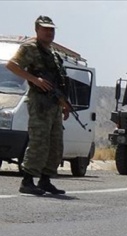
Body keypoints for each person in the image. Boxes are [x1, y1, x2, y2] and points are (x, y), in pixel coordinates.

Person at [6, 15, 71, 195]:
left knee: (55, 144)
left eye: (51, 29)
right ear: (37, 30)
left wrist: (64, 104)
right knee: (39, 142)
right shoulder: (29, 48)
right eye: (45, 29)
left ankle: (45, 180)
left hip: (53, 105)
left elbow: (58, 83)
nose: (49, 32)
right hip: (39, 102)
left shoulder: (53, 54)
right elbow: (12, 65)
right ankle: (27, 181)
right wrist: (35, 79)